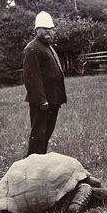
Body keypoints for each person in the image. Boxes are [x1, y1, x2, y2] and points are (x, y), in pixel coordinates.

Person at [22, 11, 66, 156]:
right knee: (38, 136)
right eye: (44, 29)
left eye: (51, 29)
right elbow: (31, 78)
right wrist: (42, 100)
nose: (49, 32)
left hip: (53, 99)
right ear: (36, 30)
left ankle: (40, 164)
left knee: (45, 135)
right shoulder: (32, 48)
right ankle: (31, 166)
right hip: (42, 102)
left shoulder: (47, 47)